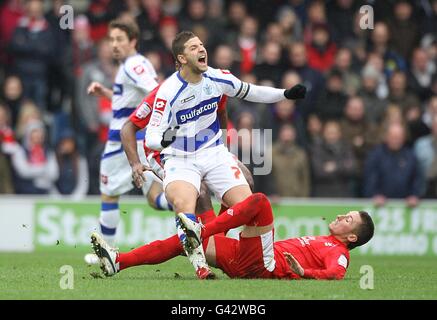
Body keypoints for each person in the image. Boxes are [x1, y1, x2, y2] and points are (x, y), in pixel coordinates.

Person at [144, 30, 306, 278]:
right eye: (194, 47)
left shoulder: (217, 78)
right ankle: (200, 265)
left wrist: (284, 94)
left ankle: (259, 264)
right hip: (180, 157)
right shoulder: (168, 91)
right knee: (185, 206)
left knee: (250, 209)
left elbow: (250, 90)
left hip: (213, 153)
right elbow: (151, 137)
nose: (201, 50)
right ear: (182, 58)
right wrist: (164, 139)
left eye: (202, 45)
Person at [90, 193, 374, 280]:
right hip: (244, 260)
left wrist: (305, 272)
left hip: (264, 266)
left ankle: (201, 229)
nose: (339, 217)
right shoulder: (325, 240)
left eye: (347, 219)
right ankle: (119, 261)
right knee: (185, 244)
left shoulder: (339, 251)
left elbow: (337, 273)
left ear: (351, 237)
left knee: (260, 202)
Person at [85, 19, 160, 263]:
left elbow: (155, 91)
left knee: (108, 194)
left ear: (133, 41)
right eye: (111, 39)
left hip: (122, 141)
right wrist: (105, 92)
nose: (114, 44)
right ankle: (195, 213)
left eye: (119, 39)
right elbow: (130, 98)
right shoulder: (134, 64)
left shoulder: (133, 65)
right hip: (138, 139)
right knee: (155, 199)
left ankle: (106, 253)